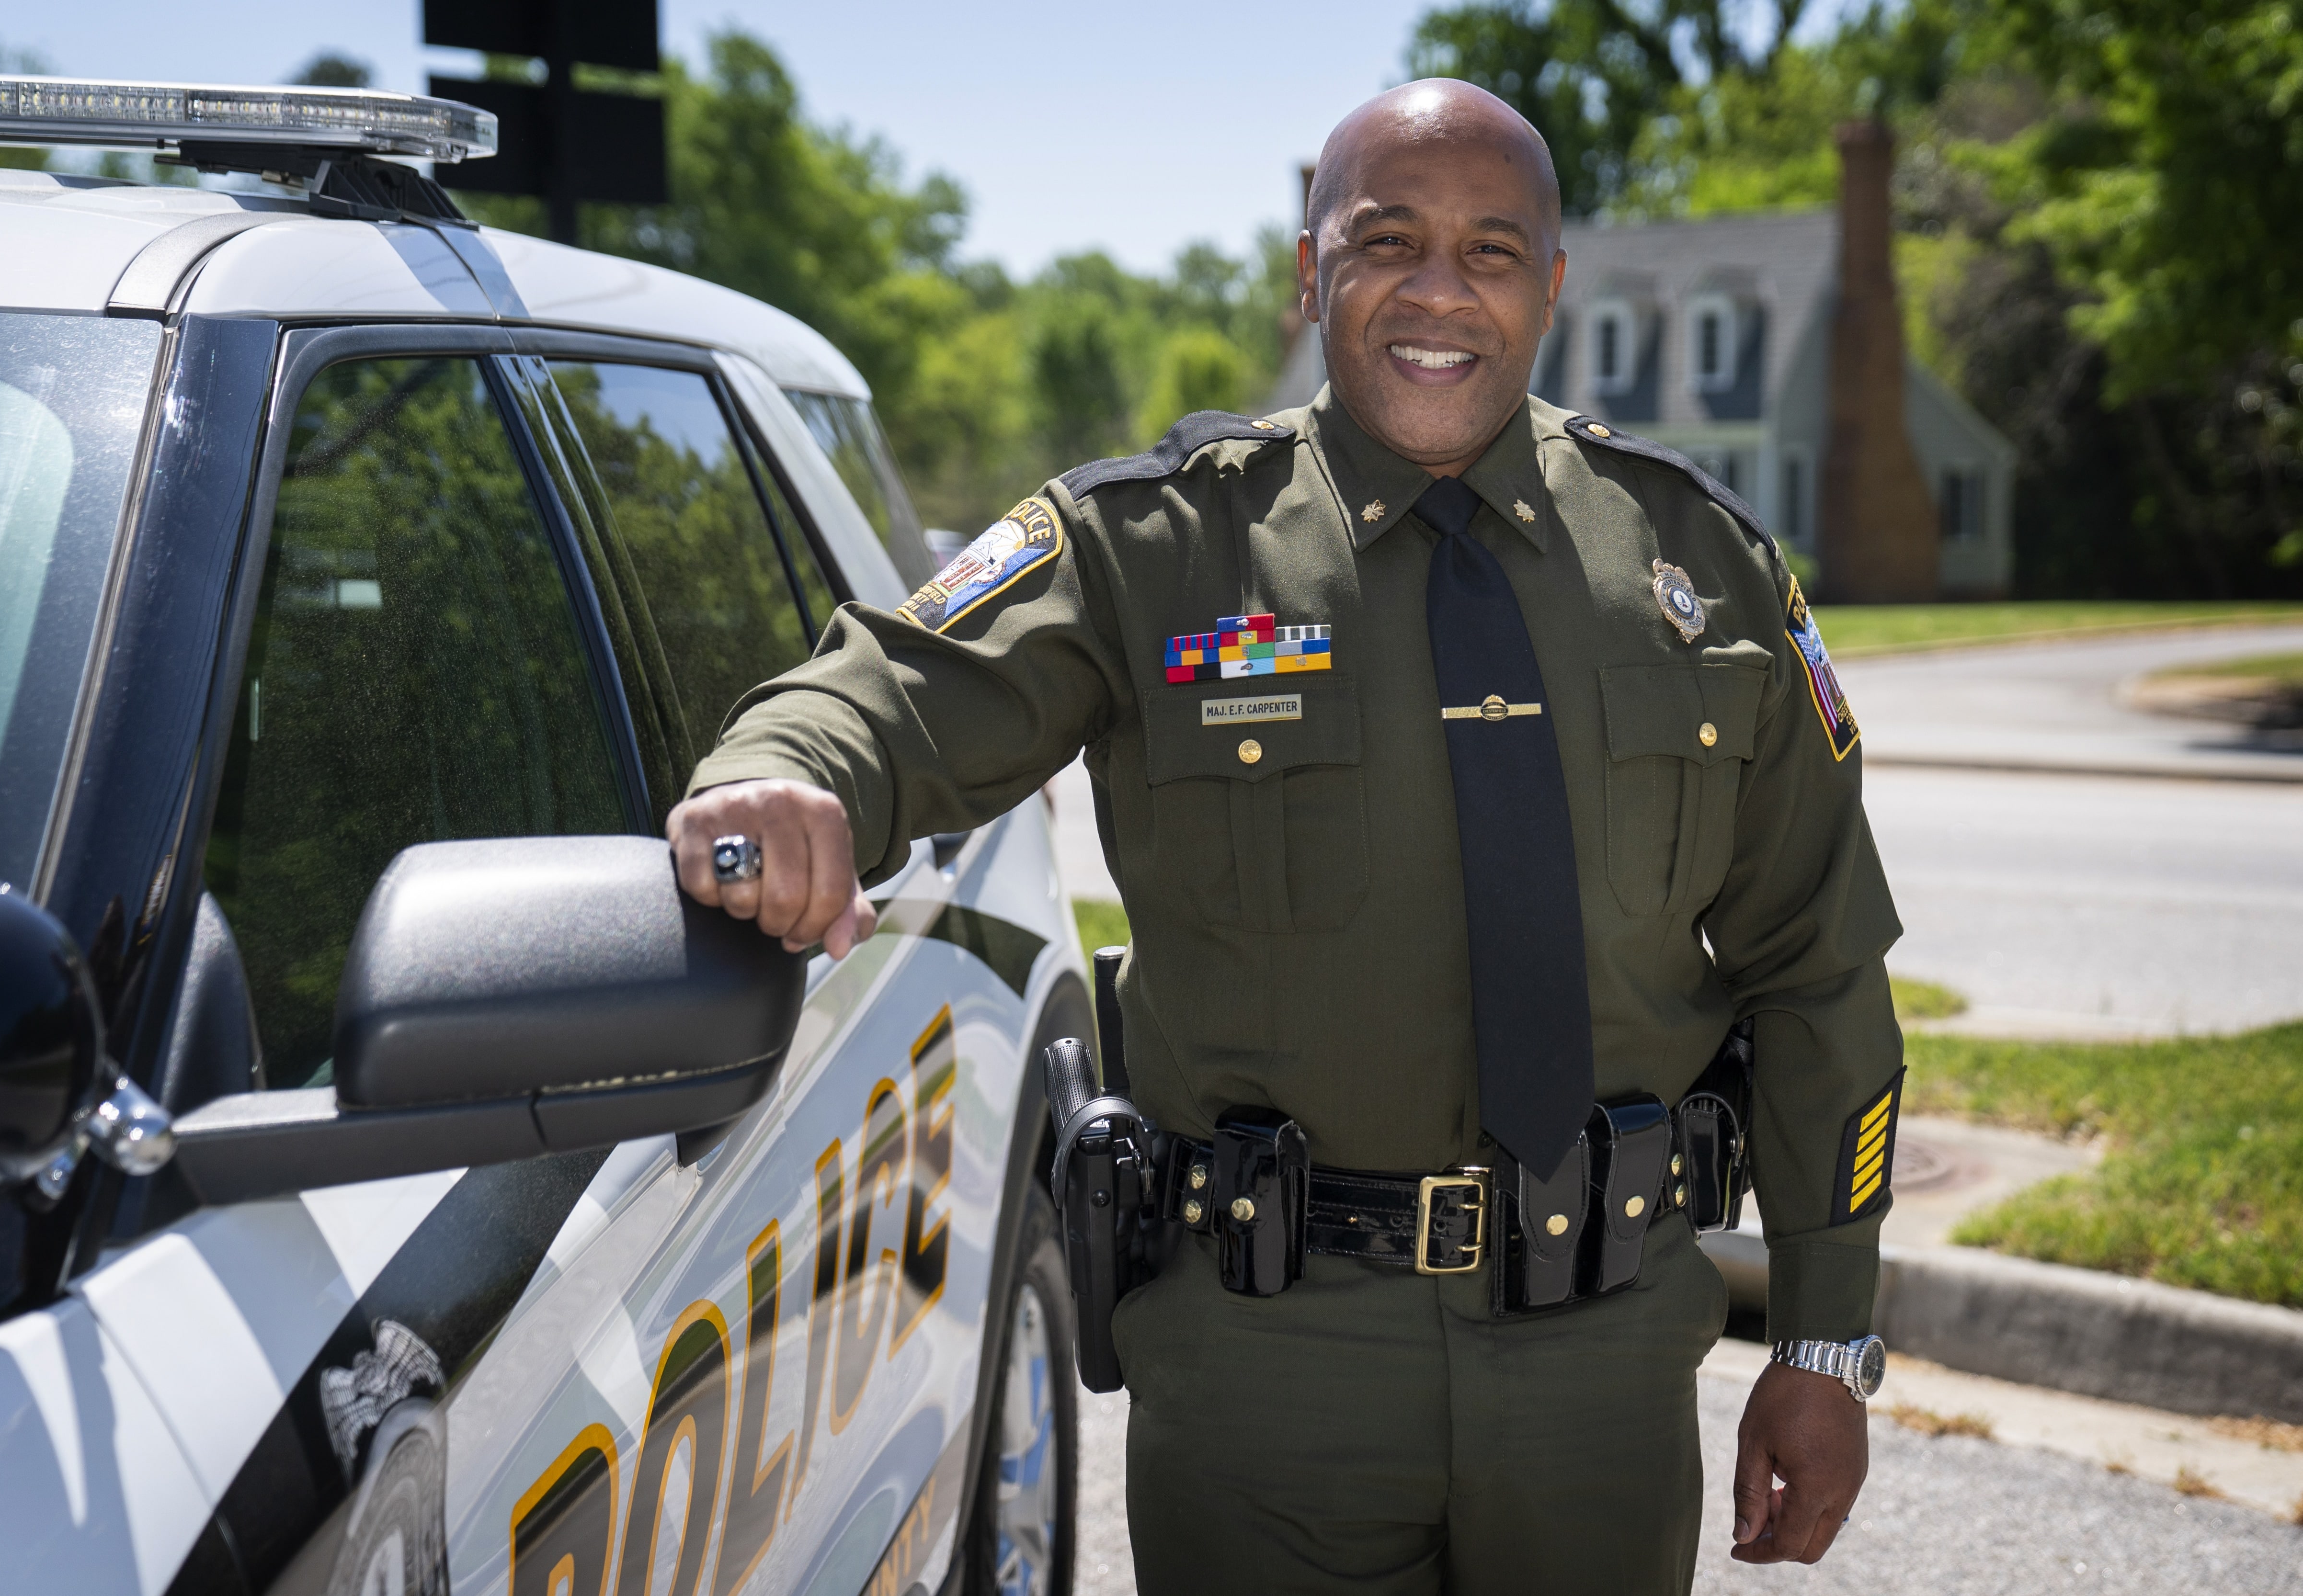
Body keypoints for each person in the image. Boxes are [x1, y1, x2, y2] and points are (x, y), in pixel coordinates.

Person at [670, 78, 1904, 1595]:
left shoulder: (1695, 557)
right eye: (1388, 241)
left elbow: (1821, 968)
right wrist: (785, 775)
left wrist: (1828, 1339)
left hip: (1606, 1362)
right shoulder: (1157, 546)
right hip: (1270, 1372)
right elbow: (893, 692)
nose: (1439, 292)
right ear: (1308, 268)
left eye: (1492, 251)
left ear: (1553, 286)